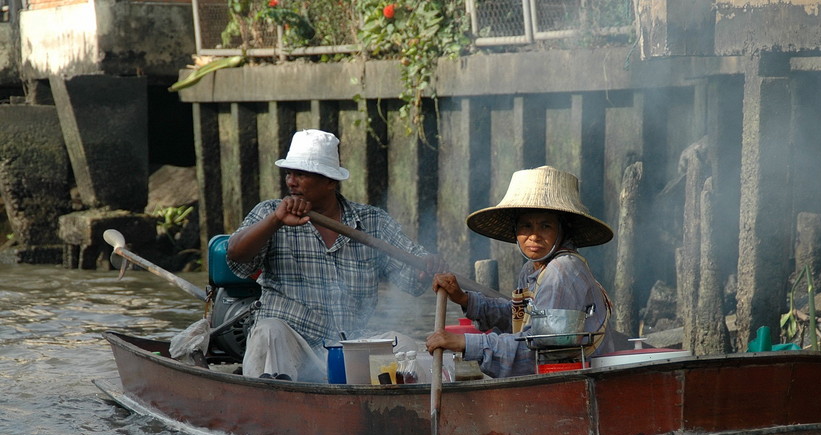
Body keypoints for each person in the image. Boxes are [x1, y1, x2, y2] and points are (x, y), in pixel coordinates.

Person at [226, 129, 441, 382]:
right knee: (268, 331)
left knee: (405, 346)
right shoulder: (271, 212)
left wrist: (426, 265)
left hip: (349, 345)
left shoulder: (373, 221)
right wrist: (275, 221)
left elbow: (413, 277)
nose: (291, 182)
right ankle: (274, 402)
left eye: (301, 174)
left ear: (330, 181)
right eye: (289, 173)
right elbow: (236, 255)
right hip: (292, 345)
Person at [426, 165, 614, 377]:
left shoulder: (561, 271)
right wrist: (464, 299)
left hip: (580, 379)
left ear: (563, 230)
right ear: (515, 230)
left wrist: (465, 342)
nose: (534, 236)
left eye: (545, 226)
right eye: (526, 226)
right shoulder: (532, 269)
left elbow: (537, 349)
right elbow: (519, 317)